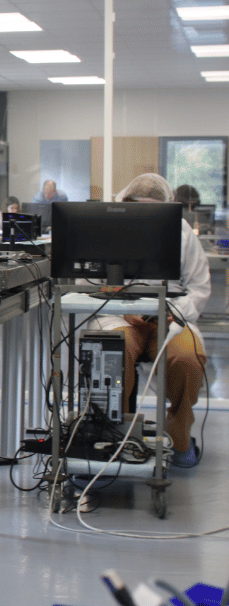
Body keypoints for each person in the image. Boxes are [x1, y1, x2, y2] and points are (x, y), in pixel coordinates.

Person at [90, 173, 210, 469]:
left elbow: (199, 288)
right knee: (111, 355)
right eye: (137, 205)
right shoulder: (108, 229)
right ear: (126, 202)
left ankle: (179, 438)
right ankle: (112, 437)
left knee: (188, 358)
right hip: (120, 316)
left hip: (169, 316)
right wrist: (121, 305)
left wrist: (171, 311)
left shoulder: (182, 232)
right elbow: (88, 280)